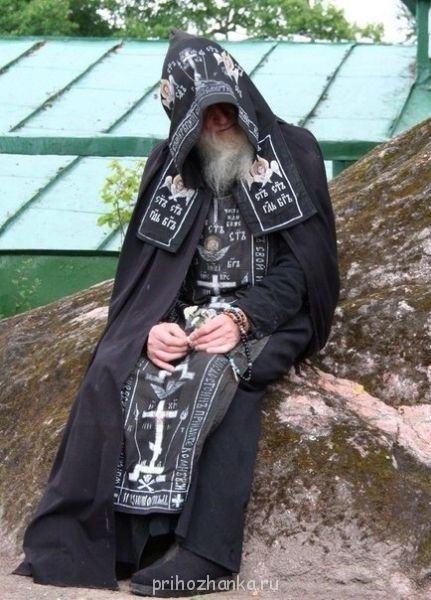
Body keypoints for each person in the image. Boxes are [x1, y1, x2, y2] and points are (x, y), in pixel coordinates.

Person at [14, 29, 339, 597]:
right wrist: (155, 324)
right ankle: (126, 542)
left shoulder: (294, 150)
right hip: (193, 312)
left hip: (274, 313)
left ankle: (207, 553)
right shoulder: (169, 164)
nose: (219, 120)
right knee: (119, 368)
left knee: (225, 373)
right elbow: (153, 269)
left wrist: (242, 318)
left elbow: (305, 267)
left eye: (225, 106)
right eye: (204, 112)